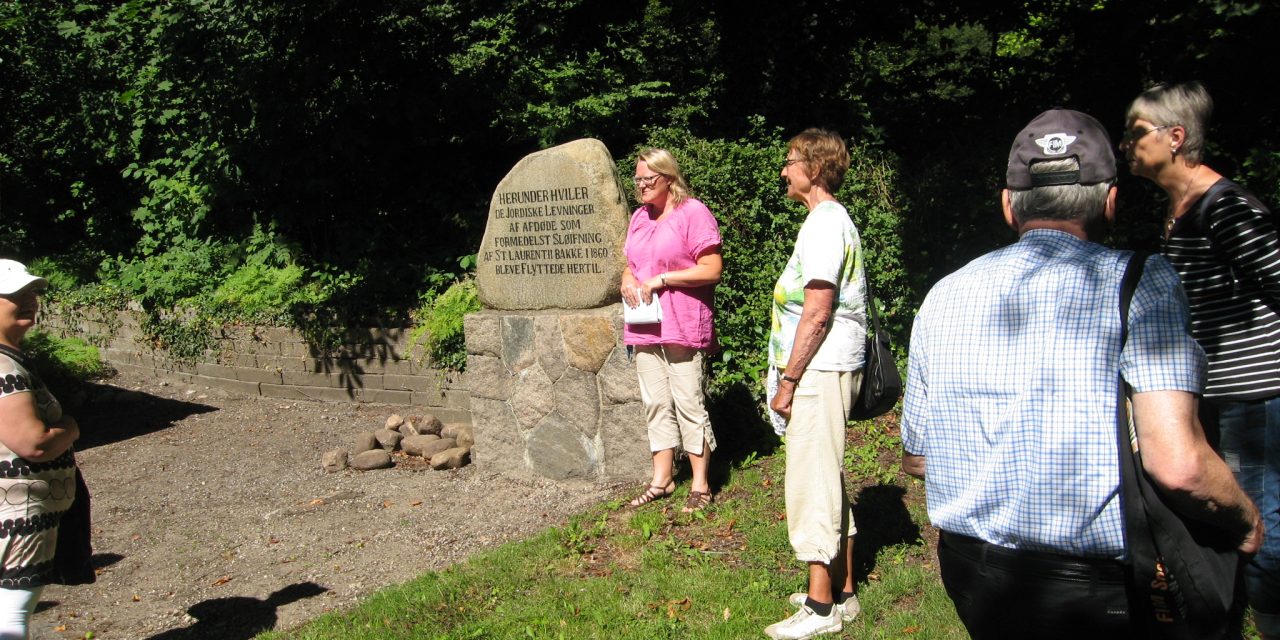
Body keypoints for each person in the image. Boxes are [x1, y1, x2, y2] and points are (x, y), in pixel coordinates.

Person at [900, 108, 1263, 639]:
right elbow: (1179, 466)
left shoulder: (944, 295)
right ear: (1111, 201)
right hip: (1094, 593)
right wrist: (1246, 519)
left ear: (1009, 204)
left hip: (974, 577)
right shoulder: (1142, 283)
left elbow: (918, 458)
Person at [1123, 81, 1280, 639]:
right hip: (1217, 393)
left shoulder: (1224, 206)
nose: (1126, 143)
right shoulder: (1180, 209)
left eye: (1136, 132)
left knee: (1262, 520)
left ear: (1176, 136)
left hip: (1255, 392)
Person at [763, 128, 866, 640]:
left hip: (818, 369)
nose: (784, 170)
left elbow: (818, 311)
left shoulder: (824, 224)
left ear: (816, 169)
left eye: (790, 161)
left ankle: (820, 607)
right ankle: (843, 593)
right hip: (826, 366)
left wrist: (788, 382)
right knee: (828, 474)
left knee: (810, 480)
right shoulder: (826, 222)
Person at [621, 148, 722, 513]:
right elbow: (630, 265)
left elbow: (711, 268)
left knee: (688, 402)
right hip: (645, 325)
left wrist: (663, 279)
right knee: (655, 403)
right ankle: (661, 480)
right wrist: (628, 280)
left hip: (682, 323)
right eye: (638, 179)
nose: (643, 186)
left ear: (668, 177)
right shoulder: (639, 218)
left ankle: (700, 484)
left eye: (649, 178)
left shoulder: (691, 212)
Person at [0, 259, 81, 640]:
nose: (30, 299)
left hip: (23, 512)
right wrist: (68, 428)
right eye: (16, 294)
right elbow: (32, 443)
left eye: (31, 291)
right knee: (12, 617)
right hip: (19, 514)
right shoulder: (3, 368)